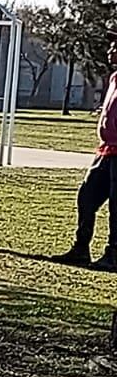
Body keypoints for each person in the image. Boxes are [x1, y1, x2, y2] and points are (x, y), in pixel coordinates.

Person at [51, 31, 117, 270]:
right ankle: (81, 248)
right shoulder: (113, 79)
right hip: (106, 151)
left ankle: (113, 254)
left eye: (114, 47)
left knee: (116, 207)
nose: (110, 51)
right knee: (87, 196)